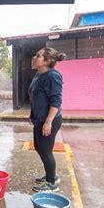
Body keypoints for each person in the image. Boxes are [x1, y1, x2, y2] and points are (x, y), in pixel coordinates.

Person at [29, 47, 65, 192]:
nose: (35, 57)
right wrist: (32, 114)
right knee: (40, 147)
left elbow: (56, 101)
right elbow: (35, 96)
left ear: (47, 61)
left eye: (38, 56)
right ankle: (51, 175)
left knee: (45, 150)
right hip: (39, 119)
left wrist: (48, 122)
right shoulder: (39, 74)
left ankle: (51, 183)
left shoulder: (53, 76)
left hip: (49, 121)